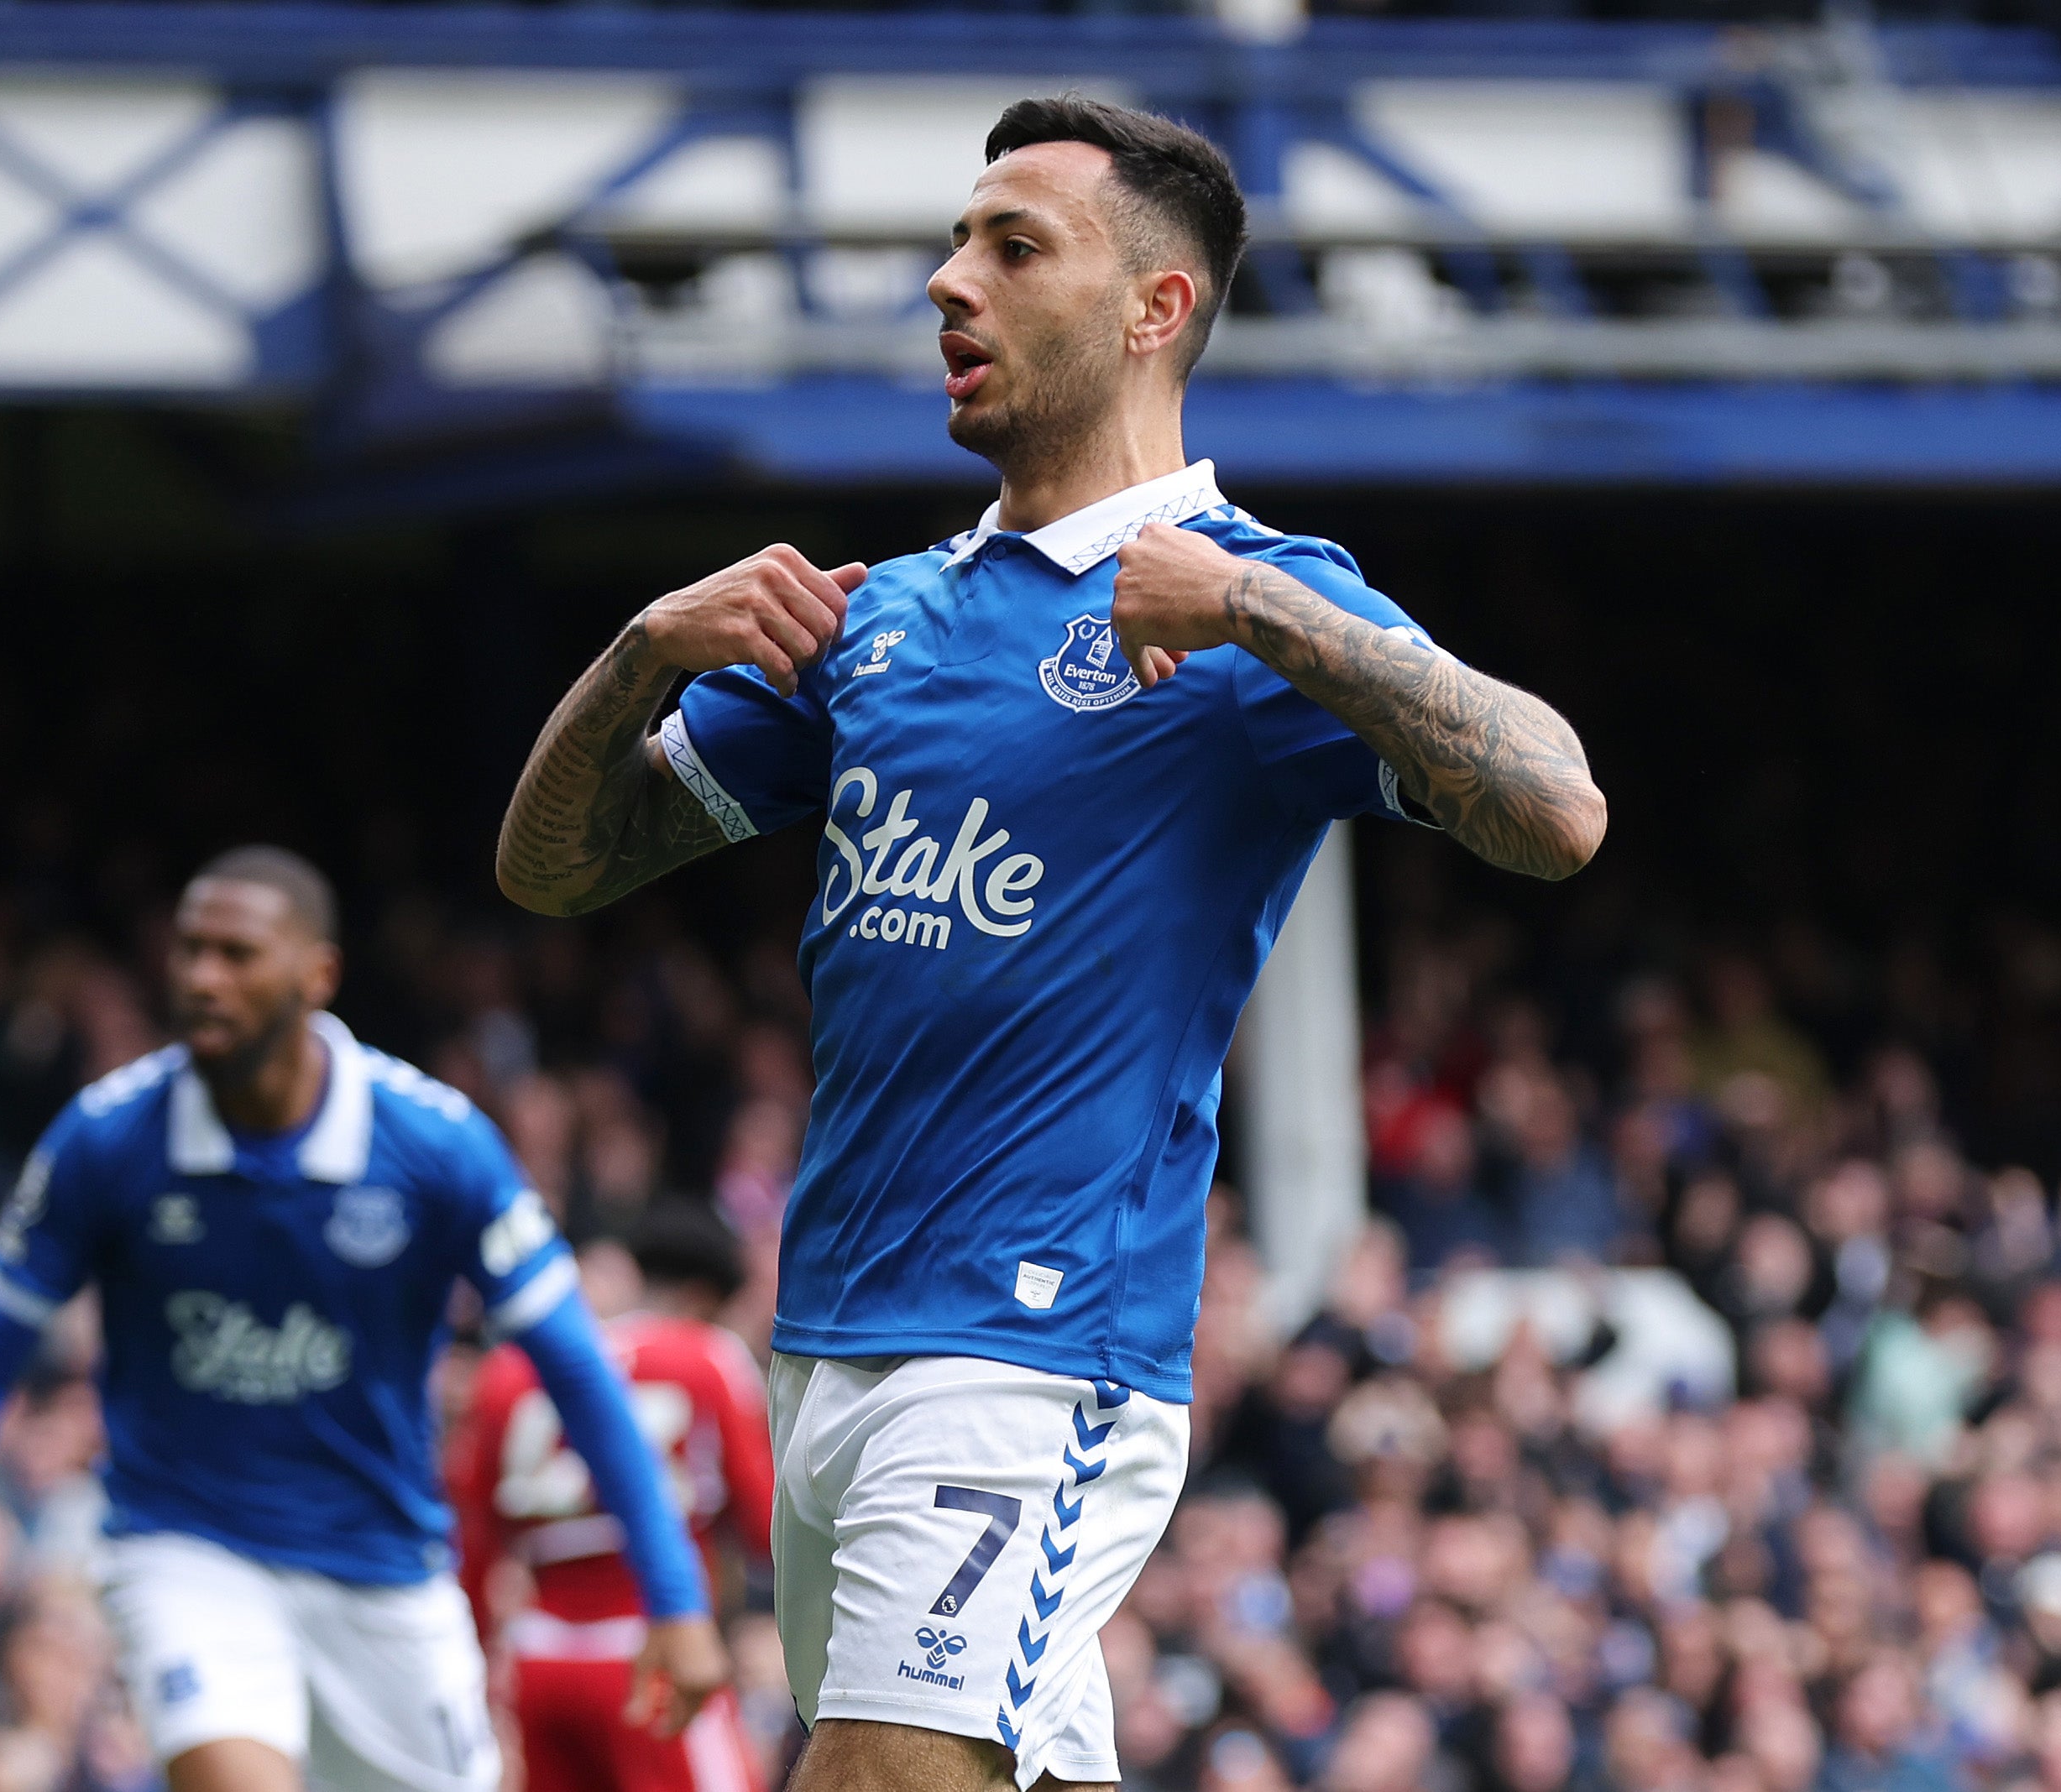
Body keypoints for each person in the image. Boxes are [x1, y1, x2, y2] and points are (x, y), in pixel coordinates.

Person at [494, 95, 1604, 1792]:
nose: (951, 280)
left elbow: (1554, 803)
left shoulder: (1251, 591)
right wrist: (645, 649)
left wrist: (1258, 610)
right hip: (832, 1333)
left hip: (1034, 1339)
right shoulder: (884, 623)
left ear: (1158, 306)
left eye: (1012, 247)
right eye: (955, 242)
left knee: (877, 1766)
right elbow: (553, 869)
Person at [0, 847, 726, 1792]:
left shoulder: (434, 1145)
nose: (202, 979)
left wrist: (673, 1598)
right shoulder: (108, 1136)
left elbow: (579, 1373)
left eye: (237, 954)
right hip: (185, 1549)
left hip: (383, 1573)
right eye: (189, 952)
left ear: (317, 975)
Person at [452, 1201, 775, 1792]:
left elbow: (471, 1543)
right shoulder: (707, 1354)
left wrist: (475, 1667)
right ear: (706, 1297)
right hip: (658, 1647)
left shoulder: (508, 1370)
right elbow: (765, 1527)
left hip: (536, 1661)